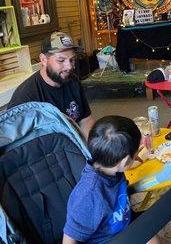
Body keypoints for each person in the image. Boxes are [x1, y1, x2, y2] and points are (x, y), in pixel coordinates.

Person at [62, 115, 160, 244]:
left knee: (155, 239)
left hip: (123, 224)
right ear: (124, 161)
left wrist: (131, 158)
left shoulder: (108, 166)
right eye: (136, 151)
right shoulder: (89, 196)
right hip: (107, 240)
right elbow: (69, 239)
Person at [8, 31, 95, 139]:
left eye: (72, 60)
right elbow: (17, 144)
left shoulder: (73, 81)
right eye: (61, 60)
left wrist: (92, 148)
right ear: (44, 59)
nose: (69, 67)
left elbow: (85, 119)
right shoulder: (25, 96)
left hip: (74, 146)